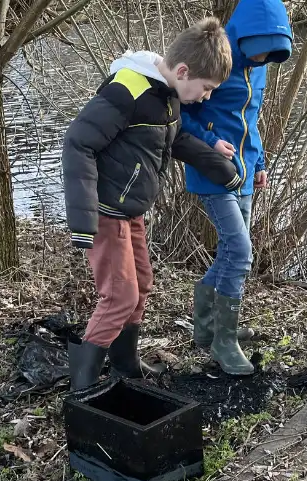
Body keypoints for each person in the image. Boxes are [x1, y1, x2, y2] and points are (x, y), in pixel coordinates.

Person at [63, 18, 245, 391]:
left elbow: (173, 141)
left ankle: (125, 365)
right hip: (105, 212)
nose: (206, 97)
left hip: (132, 210)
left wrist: (221, 168)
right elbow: (78, 144)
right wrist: (82, 221)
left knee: (141, 284)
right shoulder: (126, 90)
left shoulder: (167, 94)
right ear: (183, 70)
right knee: (120, 294)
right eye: (206, 88)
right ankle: (82, 386)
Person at [180, 0, 293, 376]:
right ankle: (223, 342)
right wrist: (209, 141)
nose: (264, 57)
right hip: (212, 172)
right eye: (261, 48)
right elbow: (179, 114)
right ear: (245, 35)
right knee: (241, 250)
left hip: (244, 171)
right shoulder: (214, 59)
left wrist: (260, 163)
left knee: (231, 249)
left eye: (272, 53)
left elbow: (251, 120)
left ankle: (208, 328)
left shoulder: (259, 69)